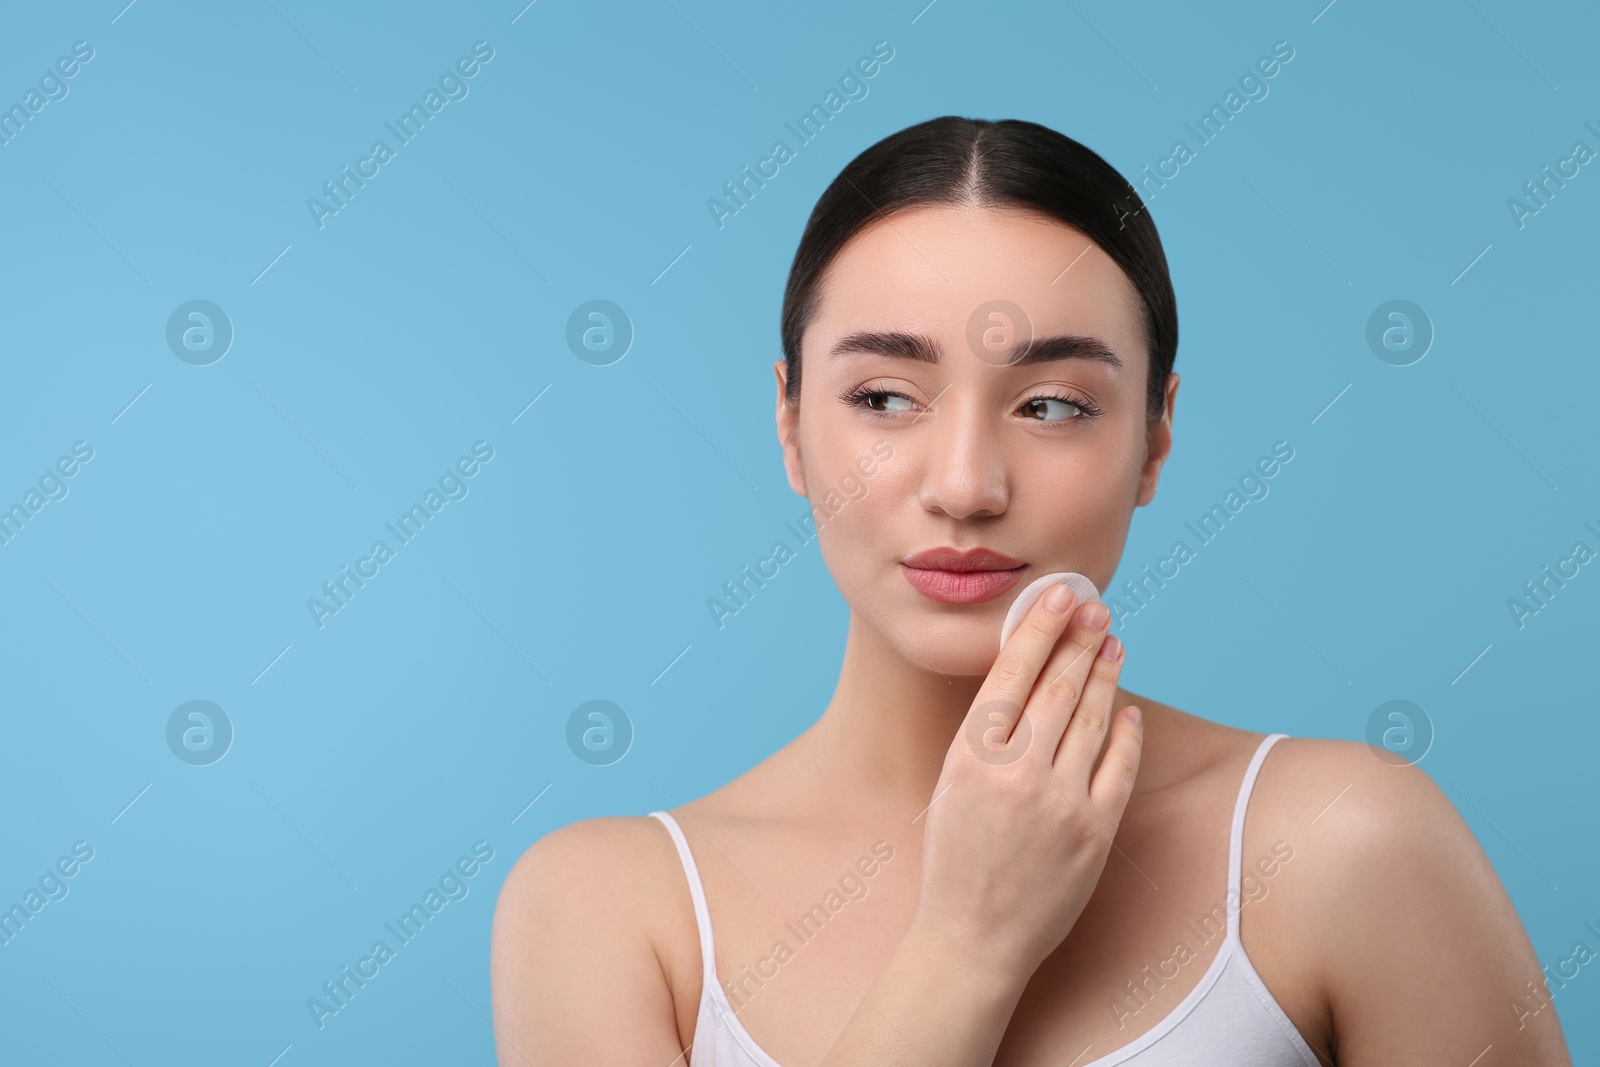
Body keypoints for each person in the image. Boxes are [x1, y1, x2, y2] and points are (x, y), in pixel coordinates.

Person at [489, 116, 1573, 1066]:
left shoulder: (1347, 838)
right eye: (882, 394)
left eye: (1052, 404)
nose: (964, 484)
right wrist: (968, 942)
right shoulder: (606, 908)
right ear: (788, 423)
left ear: (1155, 436)